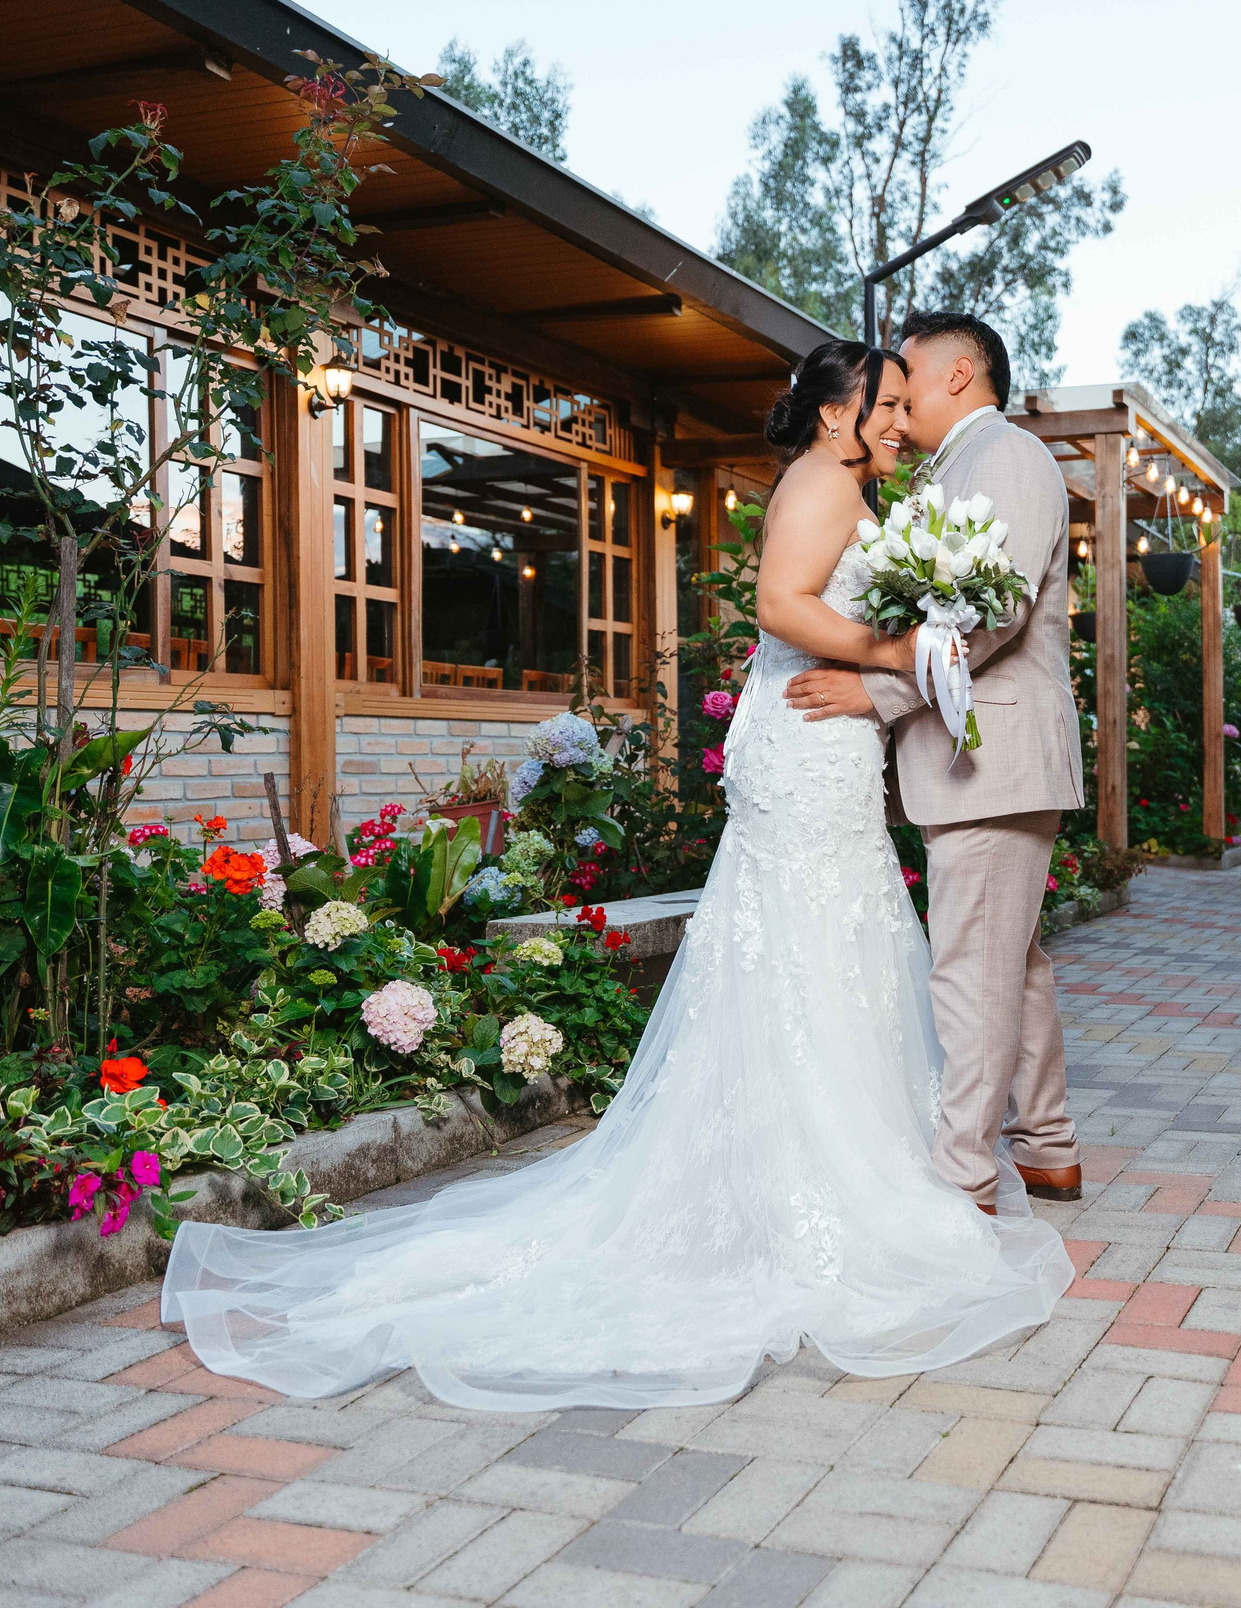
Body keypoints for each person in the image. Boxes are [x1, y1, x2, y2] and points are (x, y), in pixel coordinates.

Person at [158, 339, 1071, 1410]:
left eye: (903, 394)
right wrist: (888, 657)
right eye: (880, 397)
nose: (894, 412)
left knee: (843, 952)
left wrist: (891, 662)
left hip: (834, 753)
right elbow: (783, 606)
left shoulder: (891, 479)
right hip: (812, 748)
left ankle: (856, 1157)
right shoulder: (825, 484)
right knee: (816, 950)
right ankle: (829, 1175)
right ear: (834, 414)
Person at [785, 311, 1087, 1214]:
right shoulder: (951, 469)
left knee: (970, 970)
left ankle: (962, 1174)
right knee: (1010, 964)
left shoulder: (1008, 459)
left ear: (957, 374)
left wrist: (871, 695)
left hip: (992, 761)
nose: (893, 386)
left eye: (905, 370)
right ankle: (1047, 1145)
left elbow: (988, 619)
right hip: (972, 763)